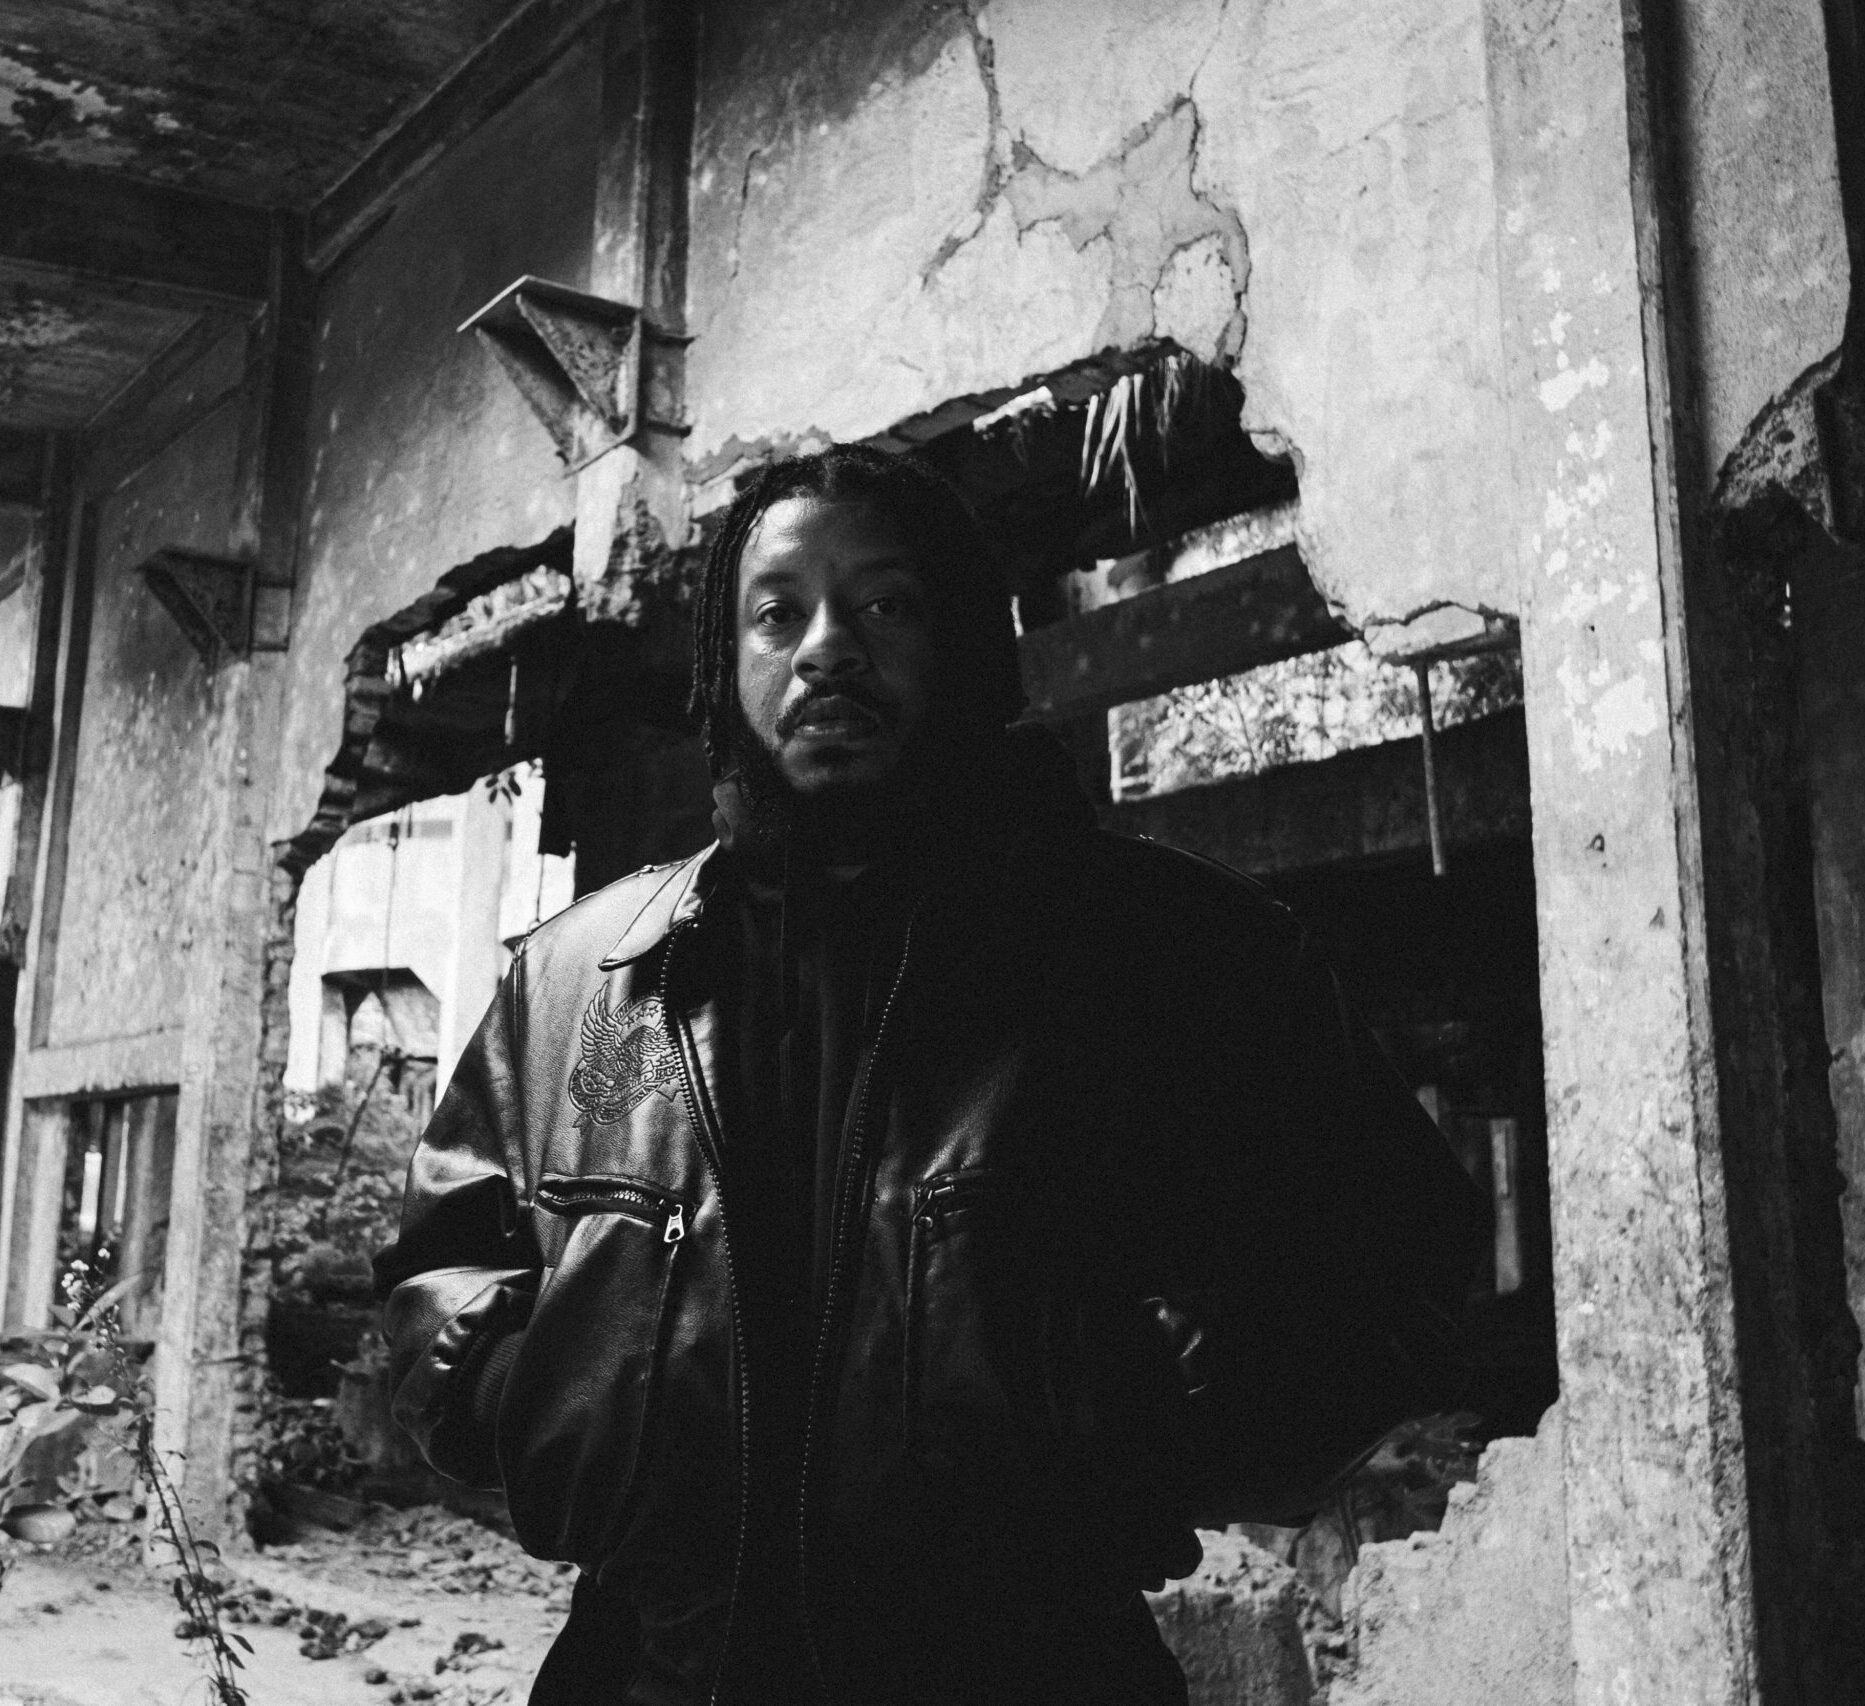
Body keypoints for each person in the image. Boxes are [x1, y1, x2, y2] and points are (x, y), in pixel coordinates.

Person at [374, 445, 1484, 1706]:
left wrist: (1157, 1425)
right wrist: (554, 1412)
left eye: (885, 604)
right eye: (777, 612)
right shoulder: (584, 978)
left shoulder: (1163, 949)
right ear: (724, 665)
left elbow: (1395, 1250)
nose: (826, 648)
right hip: (648, 1674)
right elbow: (435, 1276)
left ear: (960, 640)